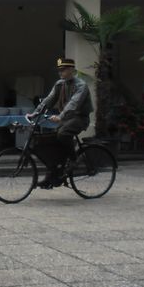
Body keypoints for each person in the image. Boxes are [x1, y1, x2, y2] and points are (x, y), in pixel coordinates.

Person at [28, 56, 93, 188]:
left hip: (80, 118)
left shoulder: (81, 86)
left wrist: (60, 116)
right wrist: (35, 113)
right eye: (59, 70)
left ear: (71, 70)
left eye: (63, 70)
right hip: (67, 119)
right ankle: (52, 175)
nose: (60, 72)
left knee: (63, 133)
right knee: (52, 142)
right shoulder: (60, 84)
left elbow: (73, 103)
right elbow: (48, 100)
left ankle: (74, 159)